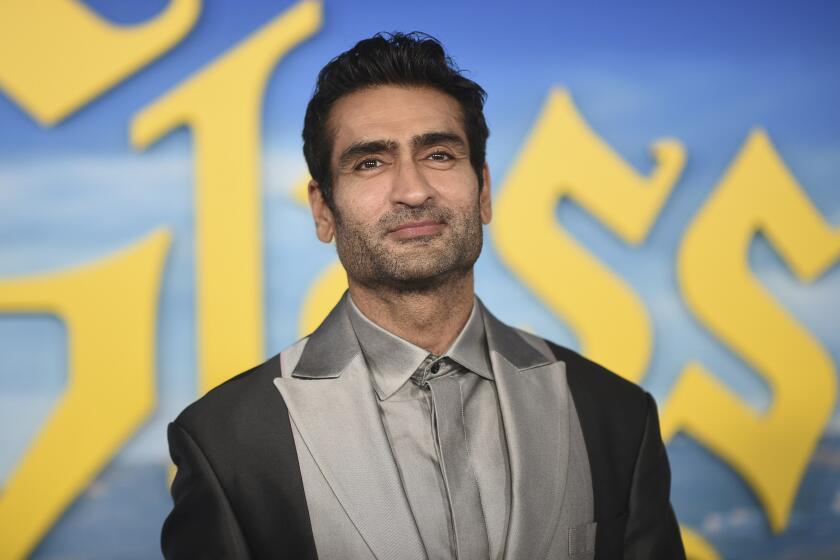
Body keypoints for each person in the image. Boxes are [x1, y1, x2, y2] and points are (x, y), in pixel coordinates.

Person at [161, 32, 685, 560]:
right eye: (370, 162)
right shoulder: (227, 443)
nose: (413, 190)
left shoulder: (615, 414)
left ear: (483, 190)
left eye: (438, 154)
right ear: (323, 210)